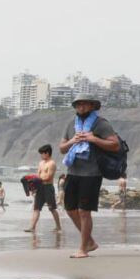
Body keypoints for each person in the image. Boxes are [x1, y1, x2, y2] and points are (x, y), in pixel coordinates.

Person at [59, 96, 119, 259]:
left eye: (84, 104)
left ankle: (83, 249)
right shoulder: (71, 124)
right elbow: (62, 148)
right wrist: (72, 141)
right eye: (78, 104)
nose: (81, 106)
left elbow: (115, 145)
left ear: (92, 106)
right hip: (72, 171)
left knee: (84, 212)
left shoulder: (101, 123)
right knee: (70, 210)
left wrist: (93, 139)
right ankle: (90, 242)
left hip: (92, 173)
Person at [25, 145, 62, 232]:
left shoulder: (52, 163)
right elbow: (38, 175)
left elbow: (49, 177)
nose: (41, 155)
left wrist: (38, 180)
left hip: (48, 187)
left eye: (42, 153)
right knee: (36, 208)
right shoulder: (41, 163)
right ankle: (32, 227)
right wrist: (33, 185)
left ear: (47, 153)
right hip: (40, 187)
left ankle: (58, 226)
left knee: (52, 208)